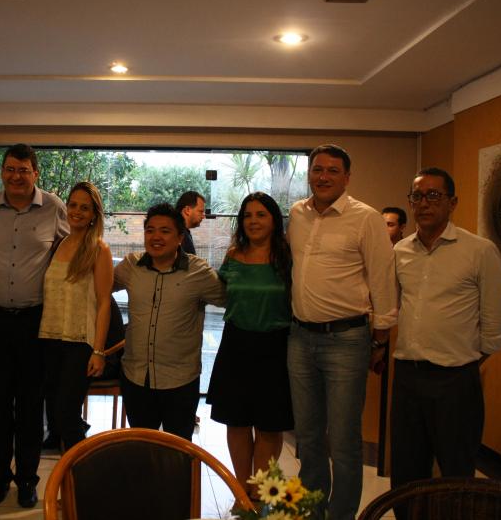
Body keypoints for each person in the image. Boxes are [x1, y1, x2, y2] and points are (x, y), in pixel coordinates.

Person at [287, 144, 397, 520]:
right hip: (300, 338)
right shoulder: (296, 214)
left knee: (344, 439)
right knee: (308, 437)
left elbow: (382, 279)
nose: (324, 177)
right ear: (309, 174)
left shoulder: (366, 218)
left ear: (347, 178)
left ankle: (342, 515)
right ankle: (313, 510)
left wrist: (380, 338)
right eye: (318, 169)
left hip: (347, 341)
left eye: (333, 171)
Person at [389, 168, 501, 499]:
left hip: (456, 381)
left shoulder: (479, 250)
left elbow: (496, 322)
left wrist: (463, 361)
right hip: (408, 377)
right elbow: (393, 306)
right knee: (406, 471)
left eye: (433, 195)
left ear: (452, 202)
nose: (424, 203)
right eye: (417, 196)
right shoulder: (400, 252)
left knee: (456, 473)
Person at [0, 144, 69, 508]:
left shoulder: (54, 207)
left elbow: (67, 254)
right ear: (2, 172)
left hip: (35, 320)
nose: (16, 176)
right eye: (10, 169)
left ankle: (27, 479)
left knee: (30, 404)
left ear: (35, 173)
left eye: (24, 170)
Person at [206, 192, 293, 499]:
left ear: (274, 220)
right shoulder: (234, 254)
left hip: (276, 347)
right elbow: (221, 295)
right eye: (247, 215)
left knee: (269, 425)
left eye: (260, 214)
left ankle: (259, 492)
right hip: (236, 345)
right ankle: (242, 491)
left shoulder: (288, 257)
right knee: (237, 422)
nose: (253, 221)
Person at [114, 203, 225, 441]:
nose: (156, 237)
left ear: (180, 237)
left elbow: (231, 300)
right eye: (150, 230)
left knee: (179, 451)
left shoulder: (199, 272)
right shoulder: (130, 266)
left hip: (180, 381)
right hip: (136, 377)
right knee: (142, 447)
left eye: (165, 231)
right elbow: (99, 289)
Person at [39, 181, 113, 450]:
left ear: (94, 214)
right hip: (50, 339)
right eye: (73, 205)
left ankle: (82, 472)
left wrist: (99, 351)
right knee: (55, 418)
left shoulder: (99, 249)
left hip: (80, 343)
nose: (77, 212)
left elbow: (104, 303)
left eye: (85, 207)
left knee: (67, 415)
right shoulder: (59, 244)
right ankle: (66, 474)